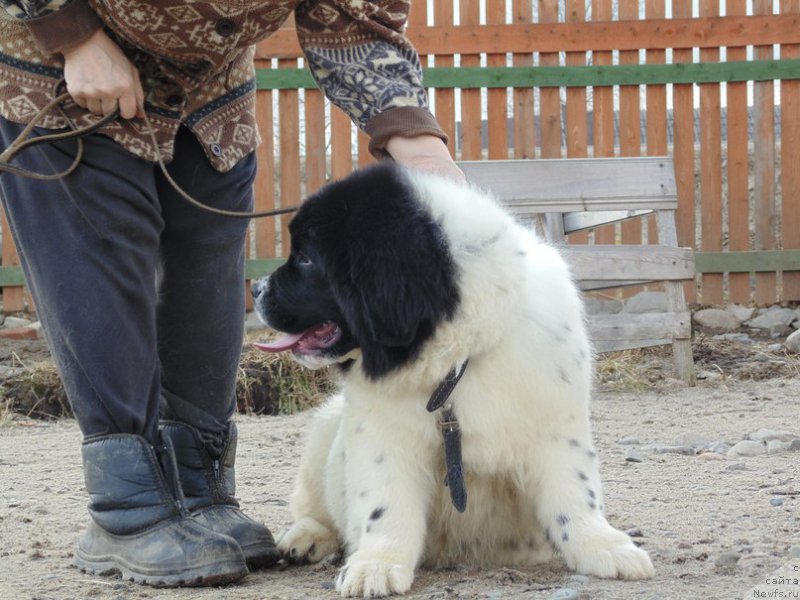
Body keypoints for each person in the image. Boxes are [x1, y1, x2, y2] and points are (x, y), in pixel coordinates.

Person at [0, 0, 463, 587]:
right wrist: (72, 34)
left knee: (207, 279)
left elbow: (355, 18)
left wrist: (413, 135)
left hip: (210, 98)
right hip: (70, 82)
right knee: (99, 270)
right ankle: (128, 510)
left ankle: (201, 494)